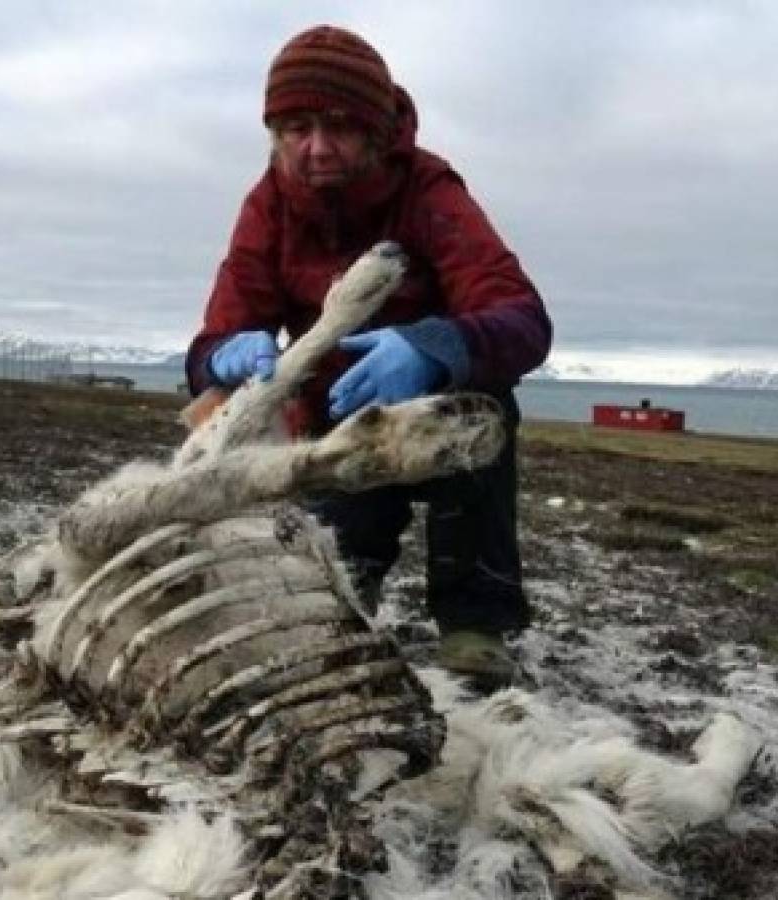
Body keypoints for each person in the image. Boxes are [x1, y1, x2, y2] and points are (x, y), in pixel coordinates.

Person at [185, 25, 551, 687]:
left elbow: (522, 319)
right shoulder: (268, 205)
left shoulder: (429, 192)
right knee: (332, 590)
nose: (317, 148)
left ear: (377, 129)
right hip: (334, 419)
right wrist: (220, 357)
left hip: (439, 407)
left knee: (486, 412)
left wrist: (435, 347)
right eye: (296, 127)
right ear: (274, 132)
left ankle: (474, 626)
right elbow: (221, 330)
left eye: (339, 127)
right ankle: (348, 597)